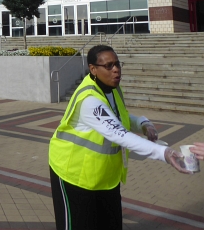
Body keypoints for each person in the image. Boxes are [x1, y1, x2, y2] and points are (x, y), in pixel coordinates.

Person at [48, 45, 191, 230]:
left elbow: (119, 116)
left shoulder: (112, 89)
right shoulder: (89, 99)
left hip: (104, 178)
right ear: (93, 69)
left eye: (117, 64)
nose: (116, 70)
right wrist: (164, 153)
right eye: (108, 66)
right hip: (73, 175)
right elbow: (119, 133)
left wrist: (142, 123)